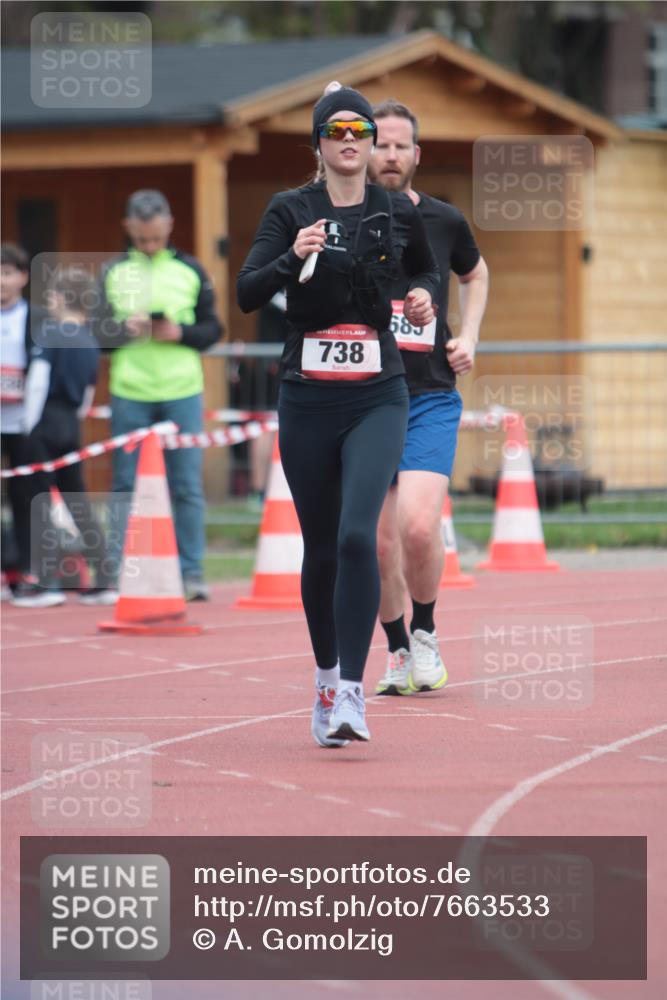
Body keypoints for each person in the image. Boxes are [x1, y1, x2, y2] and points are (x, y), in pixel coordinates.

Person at [237, 83, 439, 746]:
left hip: (376, 394)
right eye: (338, 131)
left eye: (361, 132)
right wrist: (291, 253)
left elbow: (425, 277)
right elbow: (245, 292)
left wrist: (418, 302)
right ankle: (325, 680)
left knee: (360, 537)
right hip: (307, 396)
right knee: (321, 547)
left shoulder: (394, 210)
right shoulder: (289, 207)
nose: (351, 141)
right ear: (320, 144)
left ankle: (353, 692)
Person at [367, 100, 489, 695]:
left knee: (418, 528)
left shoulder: (442, 220)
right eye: (379, 143)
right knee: (376, 539)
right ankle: (393, 650)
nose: (389, 154)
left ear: (416, 155)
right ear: (361, 149)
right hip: (363, 400)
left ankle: (426, 636)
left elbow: (476, 273)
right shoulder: (340, 220)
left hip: (429, 397)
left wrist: (467, 336)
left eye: (399, 145)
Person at [99, 190, 223, 601]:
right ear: (128, 228)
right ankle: (123, 571)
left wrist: (180, 333)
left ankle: (191, 573)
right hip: (129, 391)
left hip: (182, 390)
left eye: (155, 237)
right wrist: (122, 330)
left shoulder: (191, 269)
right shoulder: (113, 271)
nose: (149, 245)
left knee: (185, 485)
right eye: (142, 239)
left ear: (169, 225)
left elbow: (213, 330)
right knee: (124, 485)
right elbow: (97, 337)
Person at [10, 266, 116, 608]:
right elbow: (87, 391)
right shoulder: (88, 339)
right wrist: (75, 419)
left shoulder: (50, 334)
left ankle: (48, 583)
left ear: (58, 298)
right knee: (77, 502)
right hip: (71, 423)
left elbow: (38, 382)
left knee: (38, 501)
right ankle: (105, 578)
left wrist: (29, 424)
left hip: (45, 422)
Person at [0, 243, 49, 600]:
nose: (1, 281)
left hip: (24, 424)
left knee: (26, 496)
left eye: (7, 273)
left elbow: (43, 371)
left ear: (22, 277)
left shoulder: (36, 318)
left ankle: (27, 571)